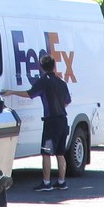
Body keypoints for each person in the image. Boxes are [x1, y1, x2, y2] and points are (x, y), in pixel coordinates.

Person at [27, 52, 71, 191]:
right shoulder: (62, 82)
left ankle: (46, 182)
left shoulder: (44, 80)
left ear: (41, 67)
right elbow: (67, 102)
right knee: (60, 153)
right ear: (54, 66)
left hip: (51, 121)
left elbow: (29, 94)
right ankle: (61, 181)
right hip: (63, 120)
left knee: (46, 153)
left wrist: (10, 92)